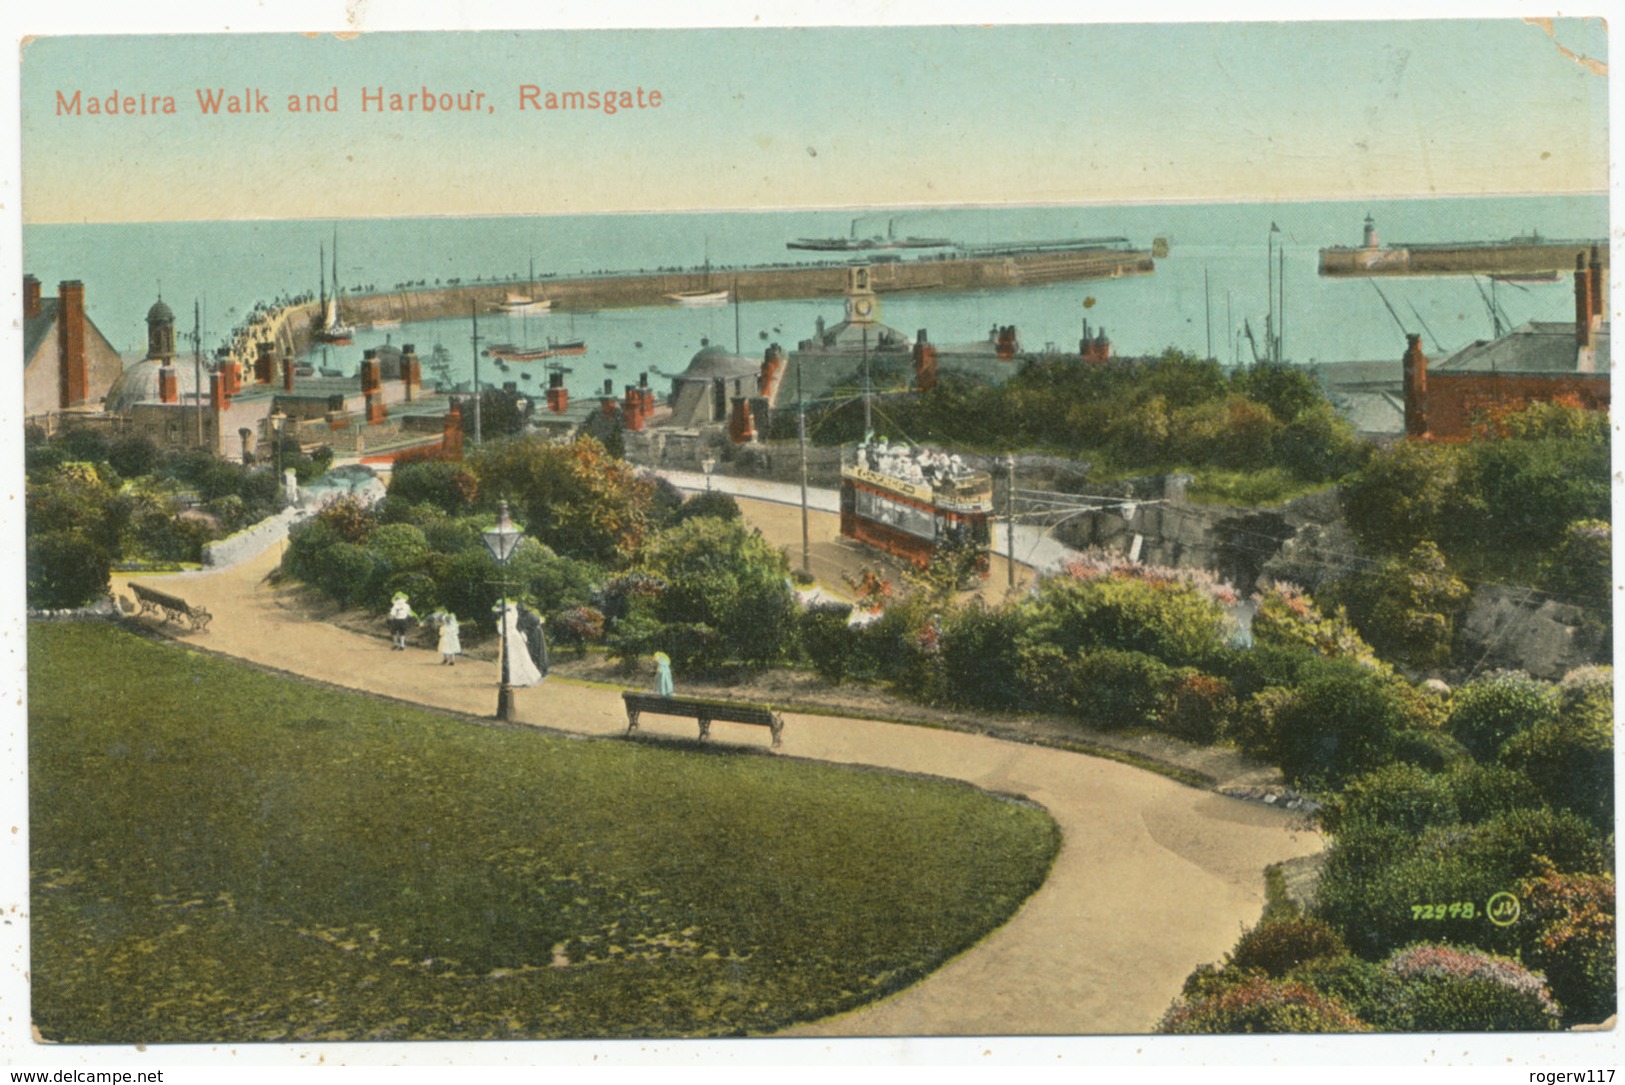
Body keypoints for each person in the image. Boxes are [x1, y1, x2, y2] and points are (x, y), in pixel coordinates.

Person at [494, 600, 544, 687]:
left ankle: (515, 680)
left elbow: (501, 629)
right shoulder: (514, 614)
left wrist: (499, 626)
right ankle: (523, 678)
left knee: (511, 657)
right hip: (515, 635)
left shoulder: (505, 617)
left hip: (508, 637)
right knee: (520, 657)